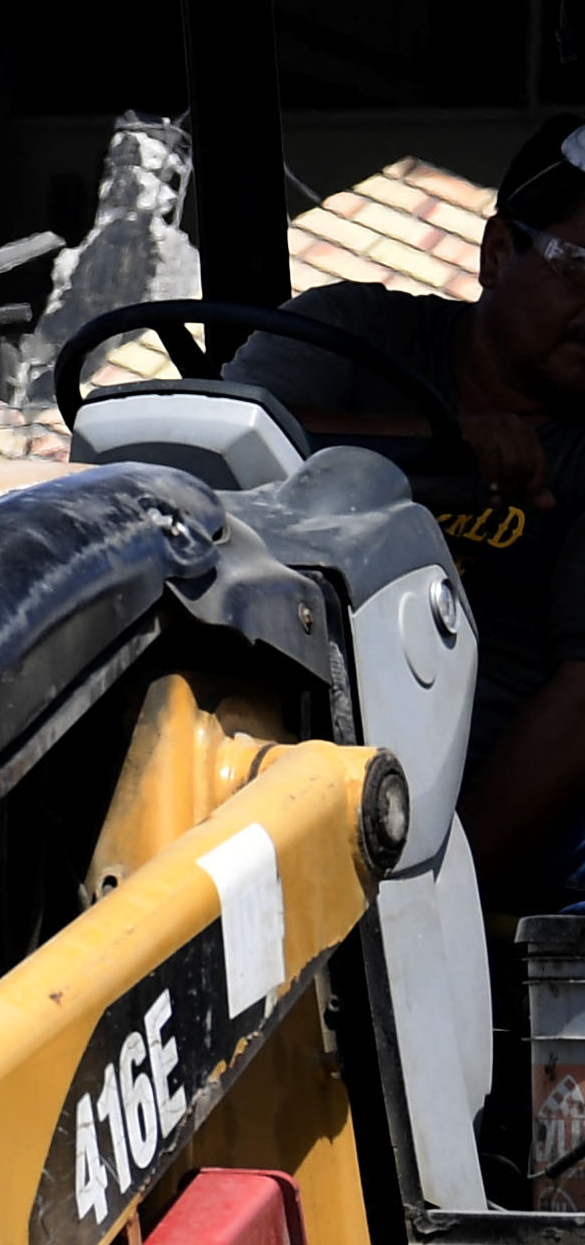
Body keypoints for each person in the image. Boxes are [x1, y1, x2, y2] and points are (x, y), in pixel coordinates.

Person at [242, 111, 585, 912]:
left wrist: (426, 898)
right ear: (499, 252)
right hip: (263, 759)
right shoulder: (354, 336)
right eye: (582, 268)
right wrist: (442, 451)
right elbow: (217, 437)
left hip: (471, 830)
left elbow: (577, 710)